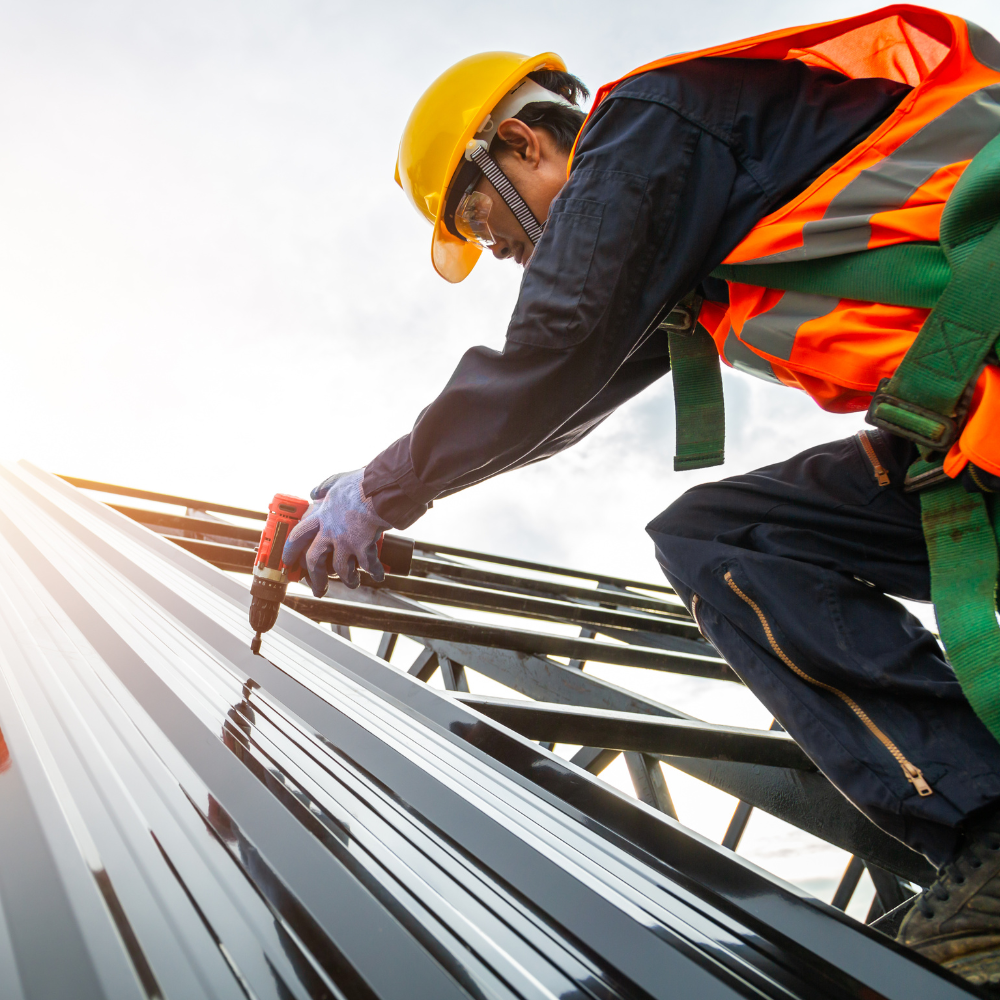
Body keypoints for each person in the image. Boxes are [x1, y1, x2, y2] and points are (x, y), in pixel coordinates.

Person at [282, 7, 1000, 987]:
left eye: (490, 228)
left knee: (724, 535)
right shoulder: (693, 207)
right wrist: (388, 483)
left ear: (521, 143)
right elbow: (564, 390)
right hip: (978, 427)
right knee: (725, 535)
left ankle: (991, 833)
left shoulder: (647, 127)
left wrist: (384, 485)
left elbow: (556, 345)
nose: (509, 259)